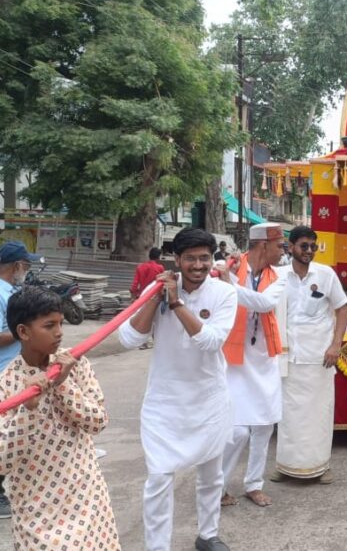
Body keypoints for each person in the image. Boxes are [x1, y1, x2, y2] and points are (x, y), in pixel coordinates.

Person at [118, 228, 238, 551]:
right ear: (176, 259)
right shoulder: (158, 289)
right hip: (165, 401)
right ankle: (157, 547)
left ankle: (208, 535)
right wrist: (155, 299)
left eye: (204, 258)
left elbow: (211, 342)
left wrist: (176, 304)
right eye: (191, 259)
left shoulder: (224, 293)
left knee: (212, 475)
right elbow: (129, 339)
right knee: (159, 478)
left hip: (209, 398)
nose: (198, 265)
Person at [0, 286, 120, 549]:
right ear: (23, 332)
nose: (59, 332)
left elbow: (98, 422)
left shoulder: (75, 365)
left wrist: (63, 383)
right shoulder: (0, 388)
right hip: (37, 513)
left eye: (60, 323)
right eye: (49, 325)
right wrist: (27, 409)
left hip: (87, 498)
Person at [271, 225, 347, 484]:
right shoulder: (278, 275)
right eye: (304, 246)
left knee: (319, 414)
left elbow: (342, 309)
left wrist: (336, 345)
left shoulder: (326, 274)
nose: (309, 251)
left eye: (313, 246)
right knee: (289, 416)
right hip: (288, 358)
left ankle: (321, 466)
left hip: (320, 358)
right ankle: (286, 465)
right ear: (290, 246)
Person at [218, 222, 286, 508]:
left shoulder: (279, 275)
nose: (283, 251)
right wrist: (226, 276)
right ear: (263, 245)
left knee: (264, 426)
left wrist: (230, 286)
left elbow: (264, 303)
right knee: (236, 431)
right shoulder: (232, 267)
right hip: (233, 360)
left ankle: (253, 484)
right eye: (279, 246)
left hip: (263, 357)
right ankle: (218, 487)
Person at [0, 240, 42, 519]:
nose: (26, 270)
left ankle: (25, 487)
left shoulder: (12, 291)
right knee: (1, 436)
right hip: (0, 377)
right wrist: (27, 331)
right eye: (25, 265)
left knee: (25, 430)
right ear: (16, 266)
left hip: (19, 372)